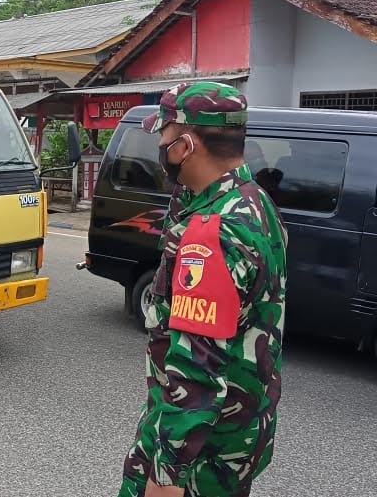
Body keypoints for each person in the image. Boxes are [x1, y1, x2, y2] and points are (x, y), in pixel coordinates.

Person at [117, 82, 288, 497]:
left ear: (186, 145)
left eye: (163, 134)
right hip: (238, 429)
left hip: (198, 454)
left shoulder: (212, 234)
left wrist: (165, 475)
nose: (159, 145)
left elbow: (197, 370)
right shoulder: (253, 200)